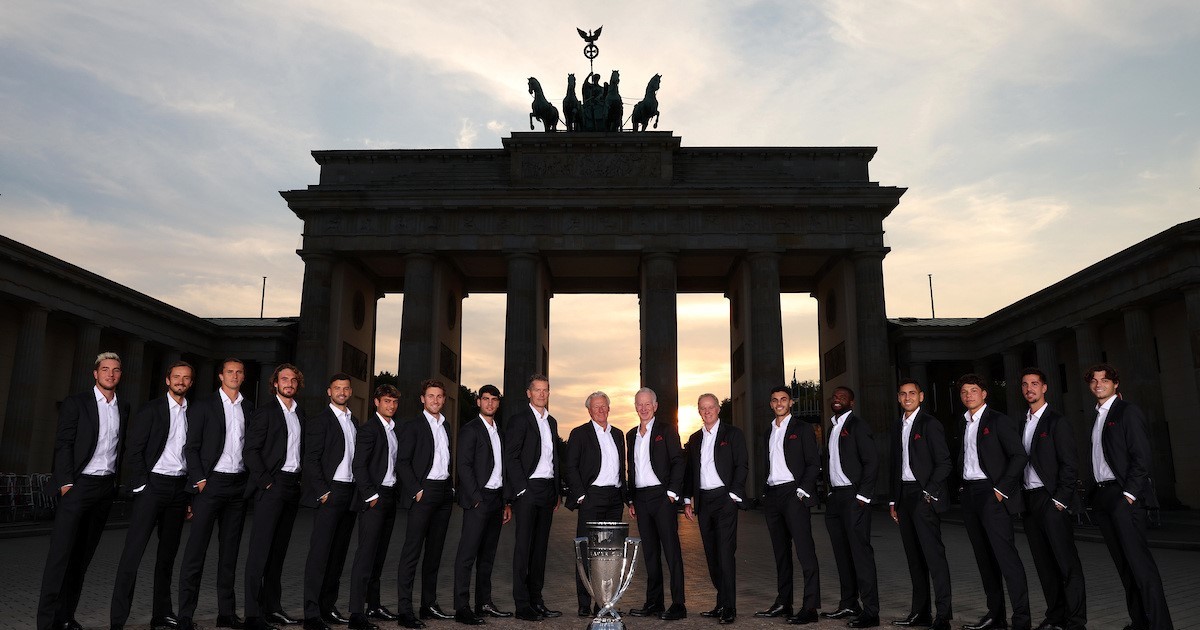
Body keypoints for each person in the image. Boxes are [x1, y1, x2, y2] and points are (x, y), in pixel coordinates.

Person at [37, 351, 129, 630]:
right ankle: (46, 623)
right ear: (95, 373)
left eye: (115, 370)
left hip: (104, 489)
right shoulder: (77, 403)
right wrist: (67, 484)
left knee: (82, 558)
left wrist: (114, 485)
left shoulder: (123, 407)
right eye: (105, 369)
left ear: (120, 375)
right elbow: (63, 443)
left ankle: (65, 617)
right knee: (60, 557)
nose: (110, 374)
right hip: (78, 487)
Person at [1084, 364, 1173, 630]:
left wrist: (1129, 496)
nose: (1098, 384)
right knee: (1124, 567)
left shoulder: (1127, 411)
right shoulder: (1098, 416)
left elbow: (1141, 457)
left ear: (1116, 384)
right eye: (1094, 381)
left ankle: (1160, 625)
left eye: (1105, 380)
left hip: (1123, 497)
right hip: (1103, 497)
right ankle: (1139, 623)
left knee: (1141, 566)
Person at [111, 361, 194, 630]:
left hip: (178, 489)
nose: (181, 381)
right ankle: (118, 620)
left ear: (191, 383)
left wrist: (189, 494)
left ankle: (162, 614)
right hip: (152, 487)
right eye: (176, 377)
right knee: (132, 554)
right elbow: (134, 449)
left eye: (186, 378)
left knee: (167, 557)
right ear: (167, 380)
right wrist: (142, 486)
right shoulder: (151, 409)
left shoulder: (193, 413)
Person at [178, 358, 254, 630]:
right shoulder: (203, 406)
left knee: (229, 553)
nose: (234, 376)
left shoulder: (249, 407)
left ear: (243, 377)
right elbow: (191, 447)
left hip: (237, 486)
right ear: (220, 376)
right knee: (195, 552)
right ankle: (185, 615)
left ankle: (226, 613)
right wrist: (200, 481)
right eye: (229, 372)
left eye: (239, 372)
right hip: (210, 485)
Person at [956, 373, 1030, 630]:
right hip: (970, 494)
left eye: (973, 390)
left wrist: (1000, 490)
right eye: (964, 392)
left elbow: (1019, 456)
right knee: (984, 559)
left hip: (992, 493)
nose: (968, 395)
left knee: (1006, 558)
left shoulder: (998, 420)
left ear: (984, 393)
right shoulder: (964, 423)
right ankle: (995, 616)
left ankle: (1021, 619)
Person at [1018, 368, 1086, 630]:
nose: (1029, 389)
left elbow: (1070, 463)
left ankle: (1076, 622)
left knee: (1067, 564)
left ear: (1044, 388)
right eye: (1025, 385)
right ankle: (1055, 617)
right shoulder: (1022, 423)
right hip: (1030, 501)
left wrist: (1060, 499)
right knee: (1044, 564)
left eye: (1034, 384)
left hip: (1051, 500)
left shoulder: (1057, 421)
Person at [243, 363, 306, 630]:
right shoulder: (265, 413)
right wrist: (266, 482)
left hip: (292, 486)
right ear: (275, 383)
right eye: (284, 379)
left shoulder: (300, 413)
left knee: (278, 552)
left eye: (293, 379)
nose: (289, 383)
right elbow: (250, 450)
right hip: (273, 485)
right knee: (260, 552)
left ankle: (273, 608)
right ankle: (252, 614)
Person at [888, 379, 952, 630]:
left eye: (912, 393)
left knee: (934, 557)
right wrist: (893, 500)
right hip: (904, 496)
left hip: (923, 495)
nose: (907, 398)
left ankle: (943, 616)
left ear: (921, 396)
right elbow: (895, 465)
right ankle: (920, 613)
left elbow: (944, 463)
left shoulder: (930, 424)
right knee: (914, 558)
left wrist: (928, 493)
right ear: (898, 398)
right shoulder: (897, 426)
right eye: (903, 394)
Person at [301, 373, 360, 630]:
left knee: (338, 554)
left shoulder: (354, 421)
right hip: (331, 492)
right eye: (337, 388)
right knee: (320, 554)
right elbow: (311, 459)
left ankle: (328, 607)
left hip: (349, 492)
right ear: (329, 391)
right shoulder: (320, 421)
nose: (342, 392)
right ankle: (311, 613)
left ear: (350, 392)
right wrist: (323, 491)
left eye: (346, 389)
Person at [757, 385, 820, 626]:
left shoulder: (802, 429)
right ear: (771, 404)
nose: (779, 403)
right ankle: (784, 602)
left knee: (805, 552)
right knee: (780, 553)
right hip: (773, 496)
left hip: (794, 494)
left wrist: (802, 491)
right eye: (775, 400)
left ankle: (810, 607)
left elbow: (813, 463)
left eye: (783, 399)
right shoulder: (768, 431)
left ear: (791, 402)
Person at [395, 379, 456, 629]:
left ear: (444, 399)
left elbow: (445, 459)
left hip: (443, 493)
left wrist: (451, 488)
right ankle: (404, 611)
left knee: (435, 553)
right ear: (422, 399)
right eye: (431, 396)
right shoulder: (413, 426)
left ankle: (428, 605)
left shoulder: (446, 425)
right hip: (424, 492)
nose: (435, 400)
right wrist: (416, 490)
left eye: (439, 396)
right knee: (412, 552)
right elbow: (402, 462)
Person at [682, 393, 747, 625]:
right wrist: (687, 500)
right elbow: (690, 471)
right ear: (699, 411)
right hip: (704, 502)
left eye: (711, 407)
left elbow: (742, 465)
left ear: (718, 409)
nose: (707, 411)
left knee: (725, 553)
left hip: (724, 499)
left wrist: (733, 496)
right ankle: (721, 602)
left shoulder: (733, 434)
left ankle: (729, 607)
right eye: (703, 408)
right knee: (711, 554)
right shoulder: (695, 438)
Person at [504, 373, 564, 622]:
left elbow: (554, 458)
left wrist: (557, 491)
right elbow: (511, 456)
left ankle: (537, 601)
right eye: (537, 390)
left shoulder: (552, 422)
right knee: (523, 548)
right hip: (528, 490)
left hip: (547, 490)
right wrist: (521, 490)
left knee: (540, 550)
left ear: (549, 393)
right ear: (528, 393)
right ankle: (522, 605)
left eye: (545, 390)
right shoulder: (519, 421)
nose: (541, 394)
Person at [452, 385, 513, 625]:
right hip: (478, 499)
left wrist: (506, 502)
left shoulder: (500, 432)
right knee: (467, 555)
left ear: (498, 403)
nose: (489, 403)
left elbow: (503, 469)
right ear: (478, 401)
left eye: (494, 399)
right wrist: (476, 497)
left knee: (488, 556)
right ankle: (461, 607)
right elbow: (463, 466)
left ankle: (484, 603)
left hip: (497, 499)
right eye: (485, 399)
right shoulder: (470, 430)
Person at [626, 387, 687, 621]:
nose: (643, 408)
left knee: (671, 551)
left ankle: (678, 604)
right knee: (650, 553)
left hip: (662, 497)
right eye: (639, 404)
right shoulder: (631, 435)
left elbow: (678, 461)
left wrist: (672, 493)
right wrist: (631, 498)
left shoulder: (666, 430)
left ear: (655, 406)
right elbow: (632, 468)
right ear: (635, 407)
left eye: (647, 404)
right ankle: (654, 603)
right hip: (641, 499)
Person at [565, 391, 628, 617]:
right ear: (589, 411)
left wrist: (625, 496)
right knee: (586, 551)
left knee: (610, 554)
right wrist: (582, 495)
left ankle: (604, 604)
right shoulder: (579, 433)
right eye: (596, 407)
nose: (600, 410)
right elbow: (570, 466)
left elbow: (621, 467)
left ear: (609, 408)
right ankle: (584, 603)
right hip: (591, 497)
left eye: (604, 406)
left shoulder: (618, 434)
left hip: (614, 499)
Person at [822, 386, 880, 628]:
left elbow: (871, 461)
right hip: (835, 498)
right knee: (842, 553)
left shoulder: (858, 426)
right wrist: (828, 491)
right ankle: (848, 603)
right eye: (835, 397)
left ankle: (871, 611)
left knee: (860, 554)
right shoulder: (832, 427)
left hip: (853, 497)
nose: (837, 400)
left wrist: (863, 496)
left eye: (842, 397)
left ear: (852, 403)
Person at [347, 385, 402, 630]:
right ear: (376, 402)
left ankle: (374, 605)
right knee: (366, 555)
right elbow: (358, 465)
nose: (391, 406)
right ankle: (356, 613)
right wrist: (371, 495)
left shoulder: (394, 429)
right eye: (387, 401)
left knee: (379, 555)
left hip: (390, 496)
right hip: (375, 498)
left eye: (394, 402)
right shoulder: (369, 429)